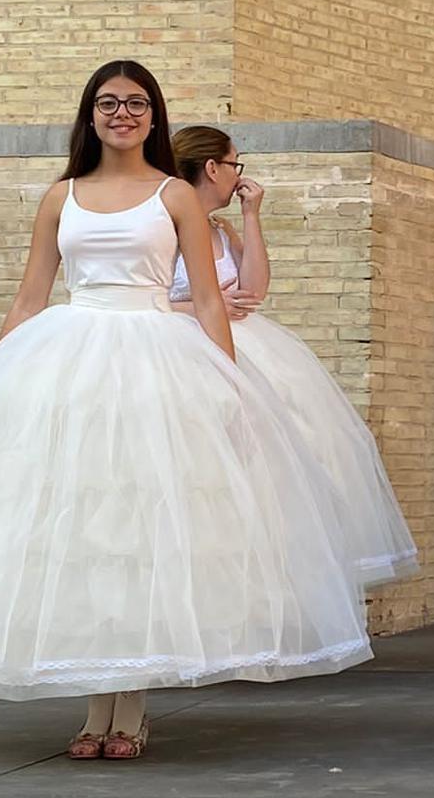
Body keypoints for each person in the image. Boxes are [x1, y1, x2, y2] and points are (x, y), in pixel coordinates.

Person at [0, 63, 377, 761]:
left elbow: (213, 300)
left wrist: (227, 383)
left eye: (134, 103)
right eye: (107, 103)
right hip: (72, 358)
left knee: (139, 527)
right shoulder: (60, 196)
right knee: (85, 532)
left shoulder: (175, 195)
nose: (120, 113)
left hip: (155, 364)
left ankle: (132, 712)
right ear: (89, 116)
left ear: (153, 116)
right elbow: (33, 294)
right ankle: (97, 712)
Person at [167, 125, 417, 587]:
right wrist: (201, 306)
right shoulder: (164, 226)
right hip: (178, 345)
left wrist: (251, 216)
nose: (237, 175)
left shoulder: (218, 228)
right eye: (234, 164)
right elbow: (145, 296)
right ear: (212, 168)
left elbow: (255, 288)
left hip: (245, 341)